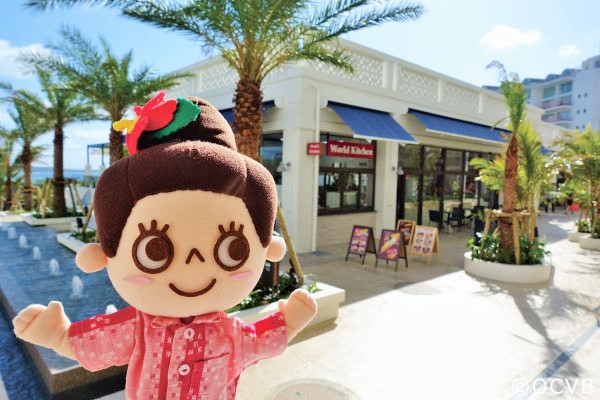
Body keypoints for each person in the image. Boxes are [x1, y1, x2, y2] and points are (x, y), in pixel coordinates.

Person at [13, 92, 317, 399]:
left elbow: (257, 341)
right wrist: (60, 336)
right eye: (154, 251)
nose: (194, 263)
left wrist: (288, 323)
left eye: (232, 250)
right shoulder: (141, 329)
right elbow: (101, 344)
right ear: (104, 255)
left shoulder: (229, 334)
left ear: (267, 249)